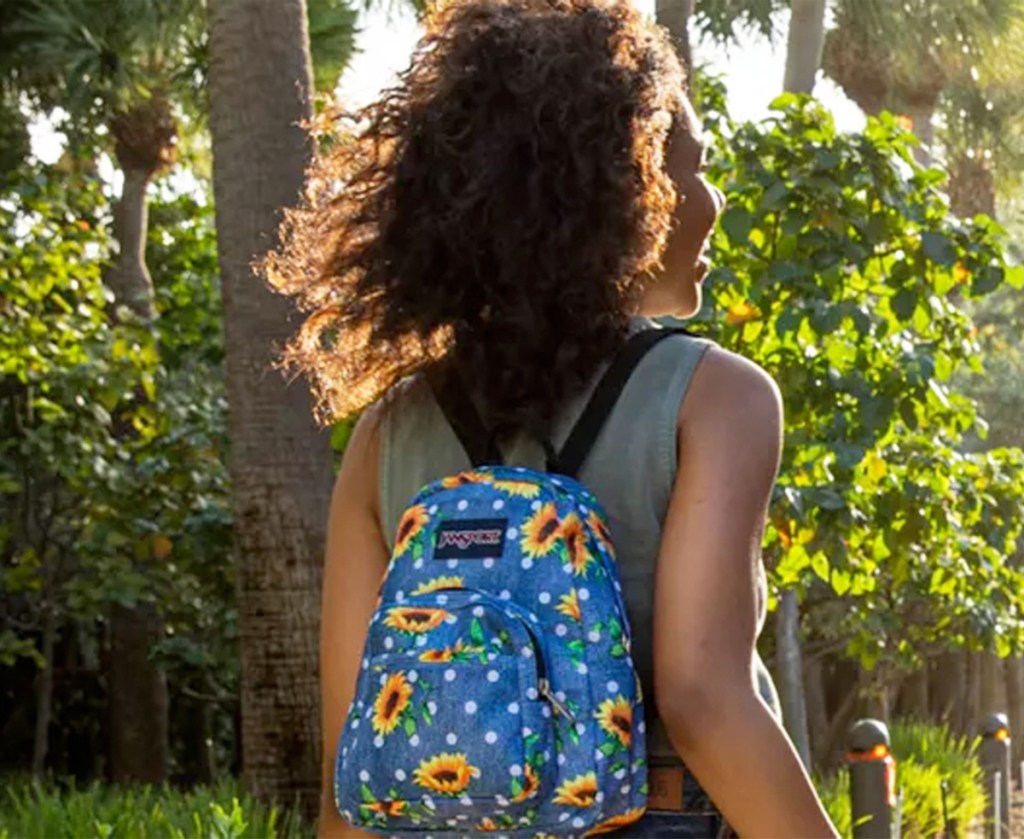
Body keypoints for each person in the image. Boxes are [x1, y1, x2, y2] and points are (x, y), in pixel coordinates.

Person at [266, 1, 840, 836]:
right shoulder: (715, 397)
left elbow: (352, 757)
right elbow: (702, 697)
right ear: (631, 187)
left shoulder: (387, 430)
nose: (712, 199)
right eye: (695, 167)